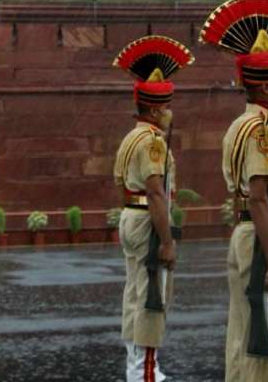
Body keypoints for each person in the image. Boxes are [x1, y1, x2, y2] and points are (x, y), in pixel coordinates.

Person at [201, 0, 268, 382]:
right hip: (262, 236)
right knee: (262, 338)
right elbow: (260, 198)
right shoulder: (261, 132)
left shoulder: (239, 126)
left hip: (247, 233)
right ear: (266, 88)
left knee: (244, 332)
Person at [111, 36, 194, 382]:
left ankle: (140, 368)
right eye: (168, 106)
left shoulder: (132, 137)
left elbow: (120, 182)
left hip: (131, 214)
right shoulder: (153, 142)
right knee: (151, 296)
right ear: (157, 109)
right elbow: (157, 193)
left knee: (136, 293)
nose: (171, 112)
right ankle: (144, 372)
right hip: (147, 219)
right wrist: (167, 241)